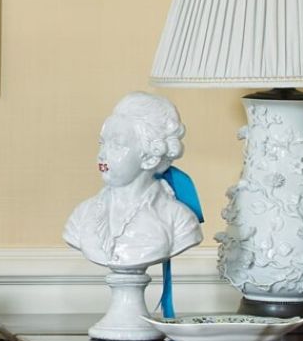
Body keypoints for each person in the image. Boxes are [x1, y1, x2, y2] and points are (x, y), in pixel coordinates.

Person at [63, 93, 203, 269]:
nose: (102, 155)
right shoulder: (82, 215)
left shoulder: (178, 220)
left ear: (150, 158)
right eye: (102, 143)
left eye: (116, 145)